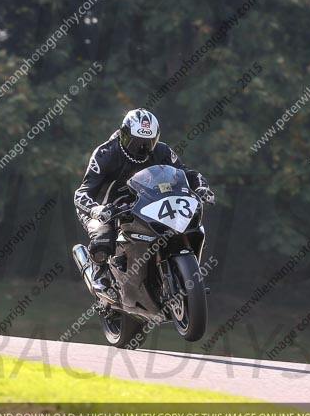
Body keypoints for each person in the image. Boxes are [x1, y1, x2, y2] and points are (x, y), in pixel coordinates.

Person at [74, 108, 214, 302]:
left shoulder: (162, 151)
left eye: (148, 142)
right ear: (123, 135)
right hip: (104, 207)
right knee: (103, 241)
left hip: (143, 203)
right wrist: (96, 209)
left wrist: (201, 187)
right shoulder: (106, 153)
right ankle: (99, 273)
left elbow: (186, 173)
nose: (142, 148)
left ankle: (158, 276)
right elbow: (82, 192)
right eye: (136, 141)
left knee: (175, 226)